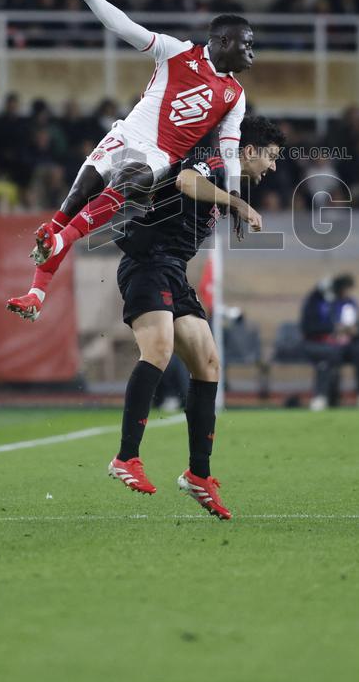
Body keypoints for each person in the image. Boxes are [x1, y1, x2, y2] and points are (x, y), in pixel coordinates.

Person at [6, 0, 254, 321]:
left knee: (124, 184)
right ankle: (36, 294)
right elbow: (124, 27)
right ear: (224, 40)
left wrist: (233, 194)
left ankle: (60, 242)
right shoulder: (176, 52)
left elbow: (230, 151)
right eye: (247, 44)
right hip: (126, 134)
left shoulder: (235, 94)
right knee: (73, 200)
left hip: (161, 155)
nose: (252, 52)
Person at [108, 115, 284, 520]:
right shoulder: (219, 162)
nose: (272, 168)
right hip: (145, 264)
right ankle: (126, 457)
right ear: (250, 150)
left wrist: (233, 202)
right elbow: (187, 182)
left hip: (172, 271)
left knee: (207, 363)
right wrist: (237, 203)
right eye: (270, 158)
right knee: (159, 348)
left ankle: (198, 475)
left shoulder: (230, 177)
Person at [301, 275, 359, 411]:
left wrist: (355, 330)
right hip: (318, 344)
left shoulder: (348, 304)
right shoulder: (315, 303)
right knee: (329, 355)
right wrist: (333, 329)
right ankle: (321, 396)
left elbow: (356, 327)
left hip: (342, 344)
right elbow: (308, 328)